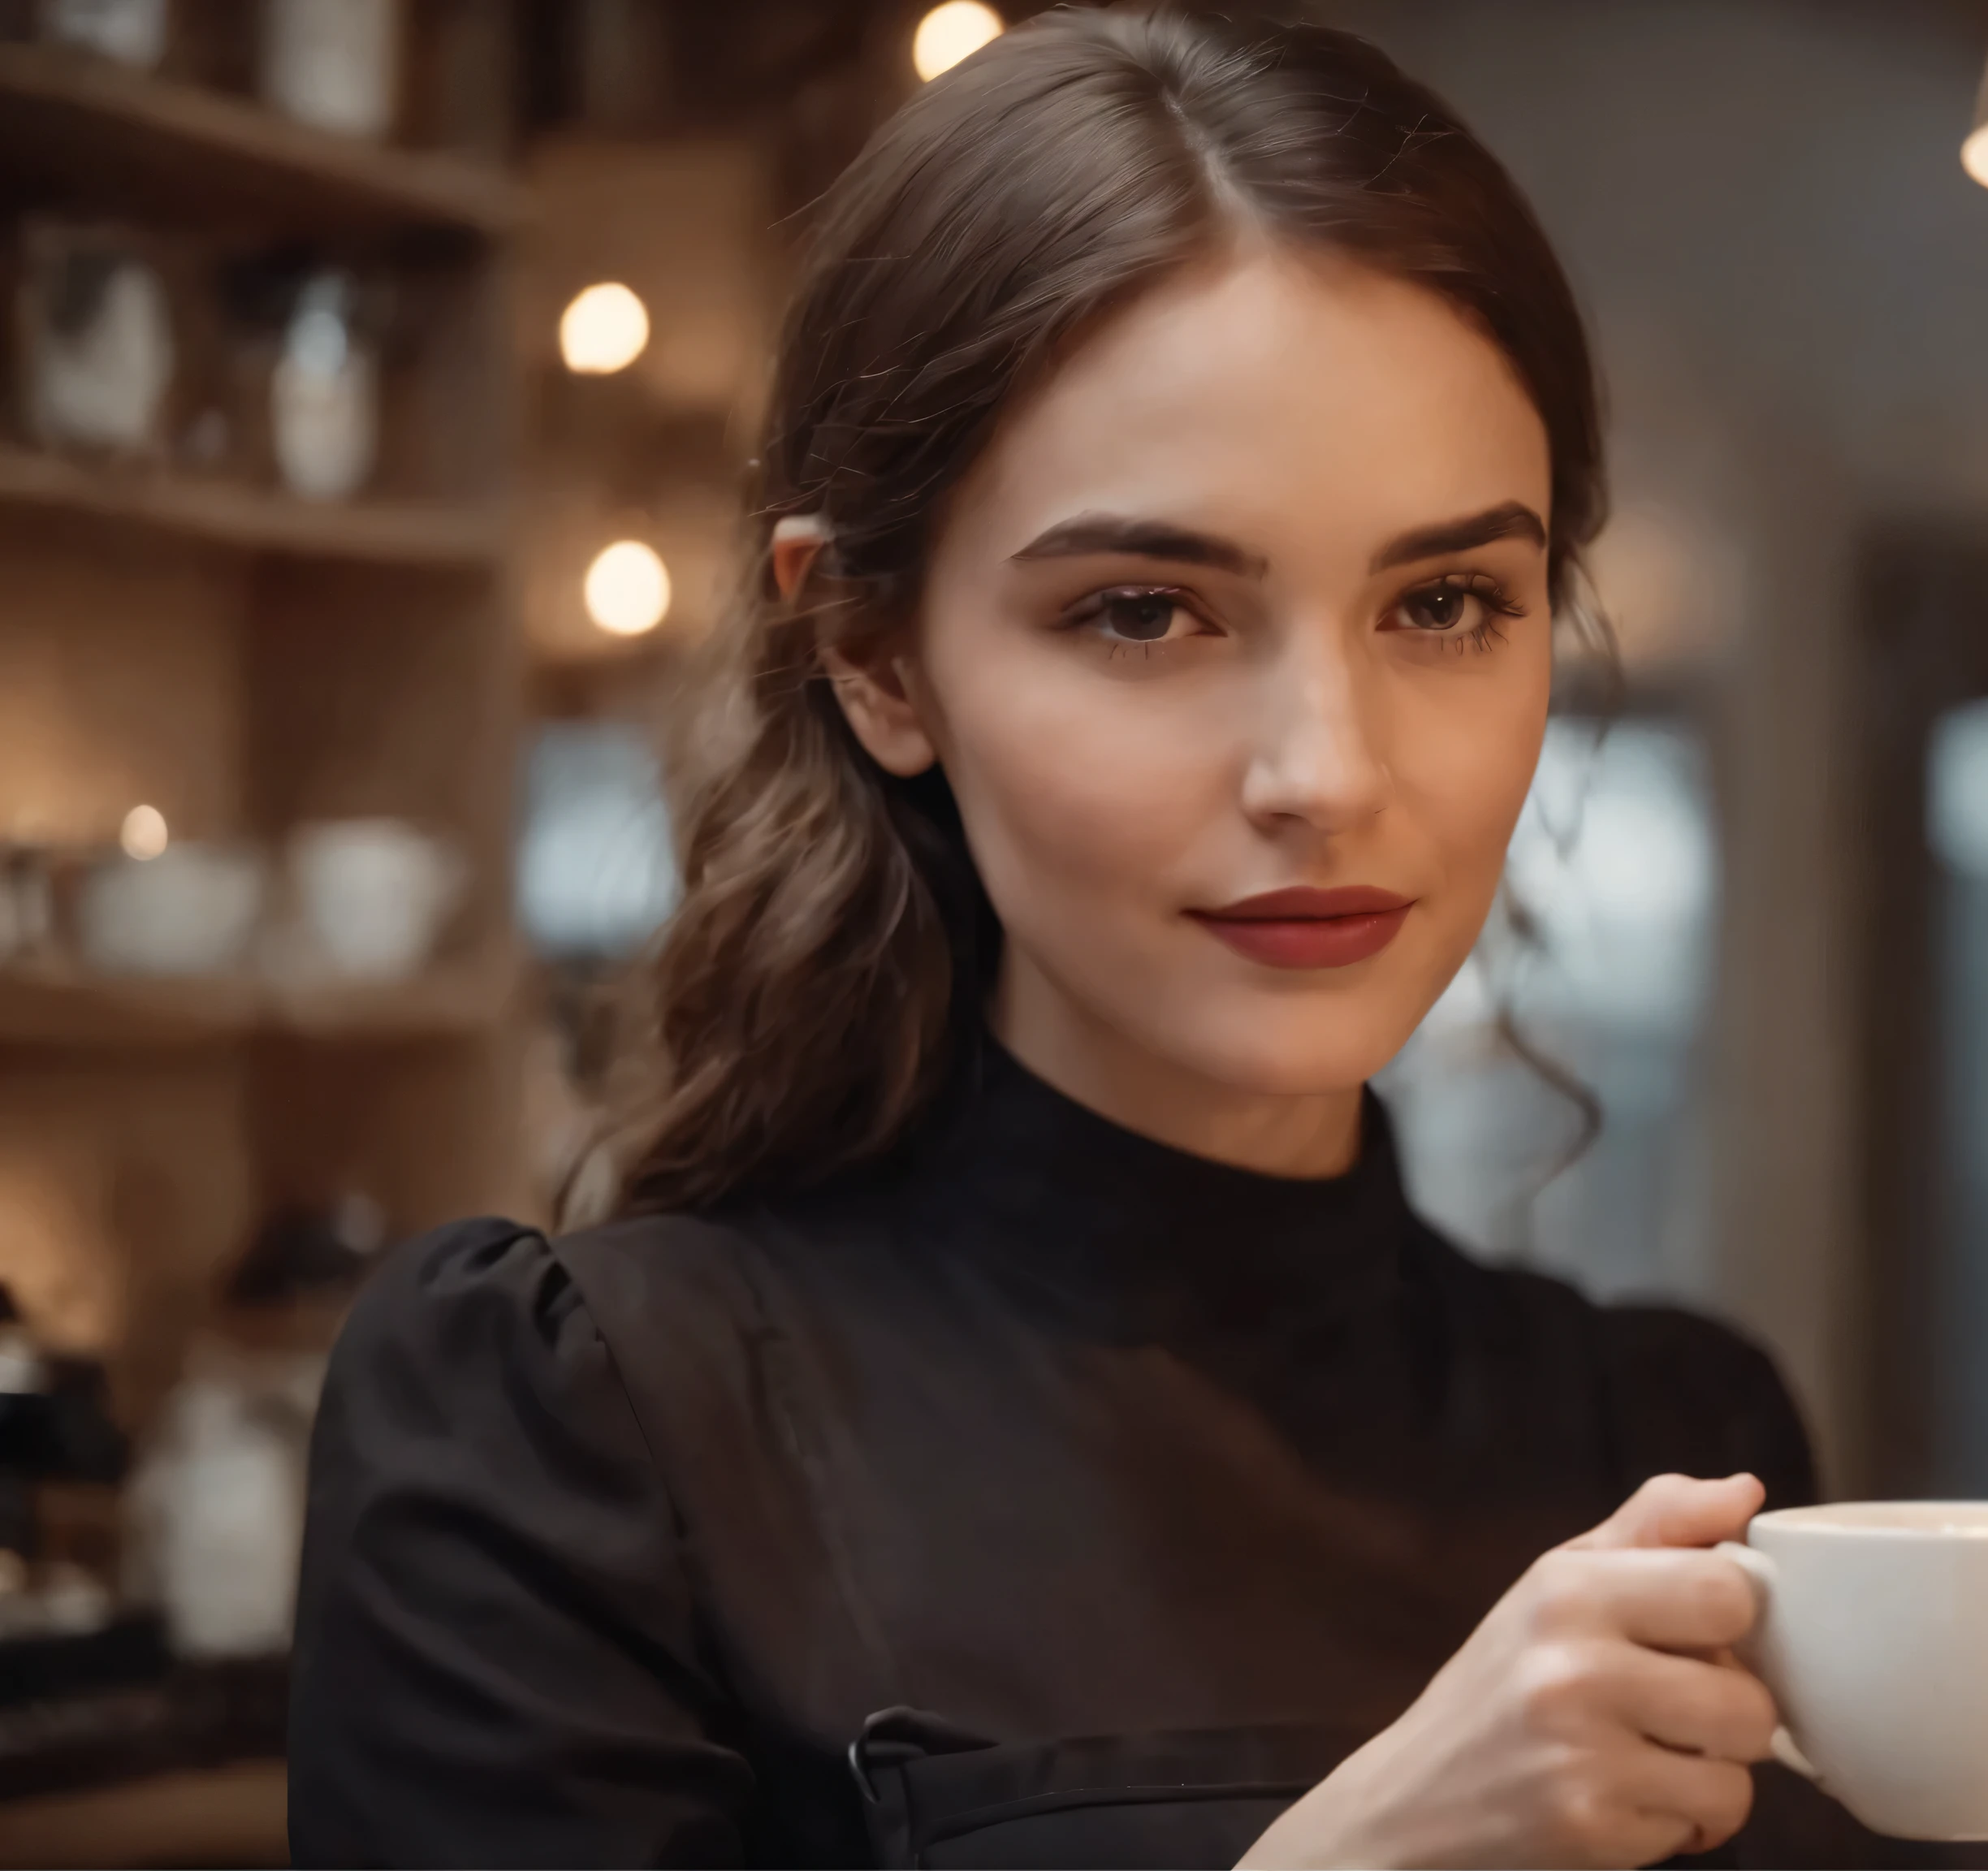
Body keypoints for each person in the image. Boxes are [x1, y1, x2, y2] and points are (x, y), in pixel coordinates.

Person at [285, 11, 1828, 1865]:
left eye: (1443, 602)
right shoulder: (577, 1438)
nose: (1325, 776)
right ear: (869, 651)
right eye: (1146, 614)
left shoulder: (1667, 1444)